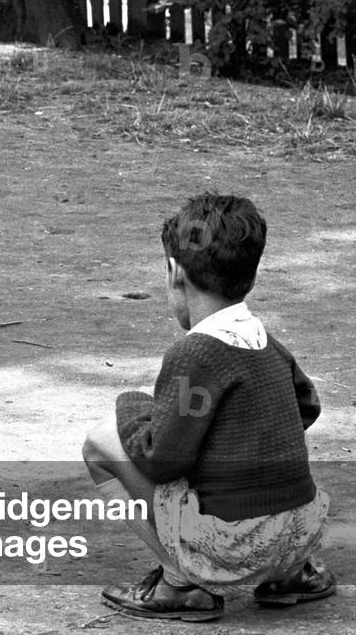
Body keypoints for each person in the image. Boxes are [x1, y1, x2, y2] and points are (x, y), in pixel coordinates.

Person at [81, 194, 335, 622]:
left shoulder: (195, 356)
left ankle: (182, 583)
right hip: (298, 534)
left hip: (235, 548)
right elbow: (306, 407)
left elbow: (161, 461)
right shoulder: (265, 341)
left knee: (99, 442)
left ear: (174, 272)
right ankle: (292, 575)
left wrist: (134, 405)